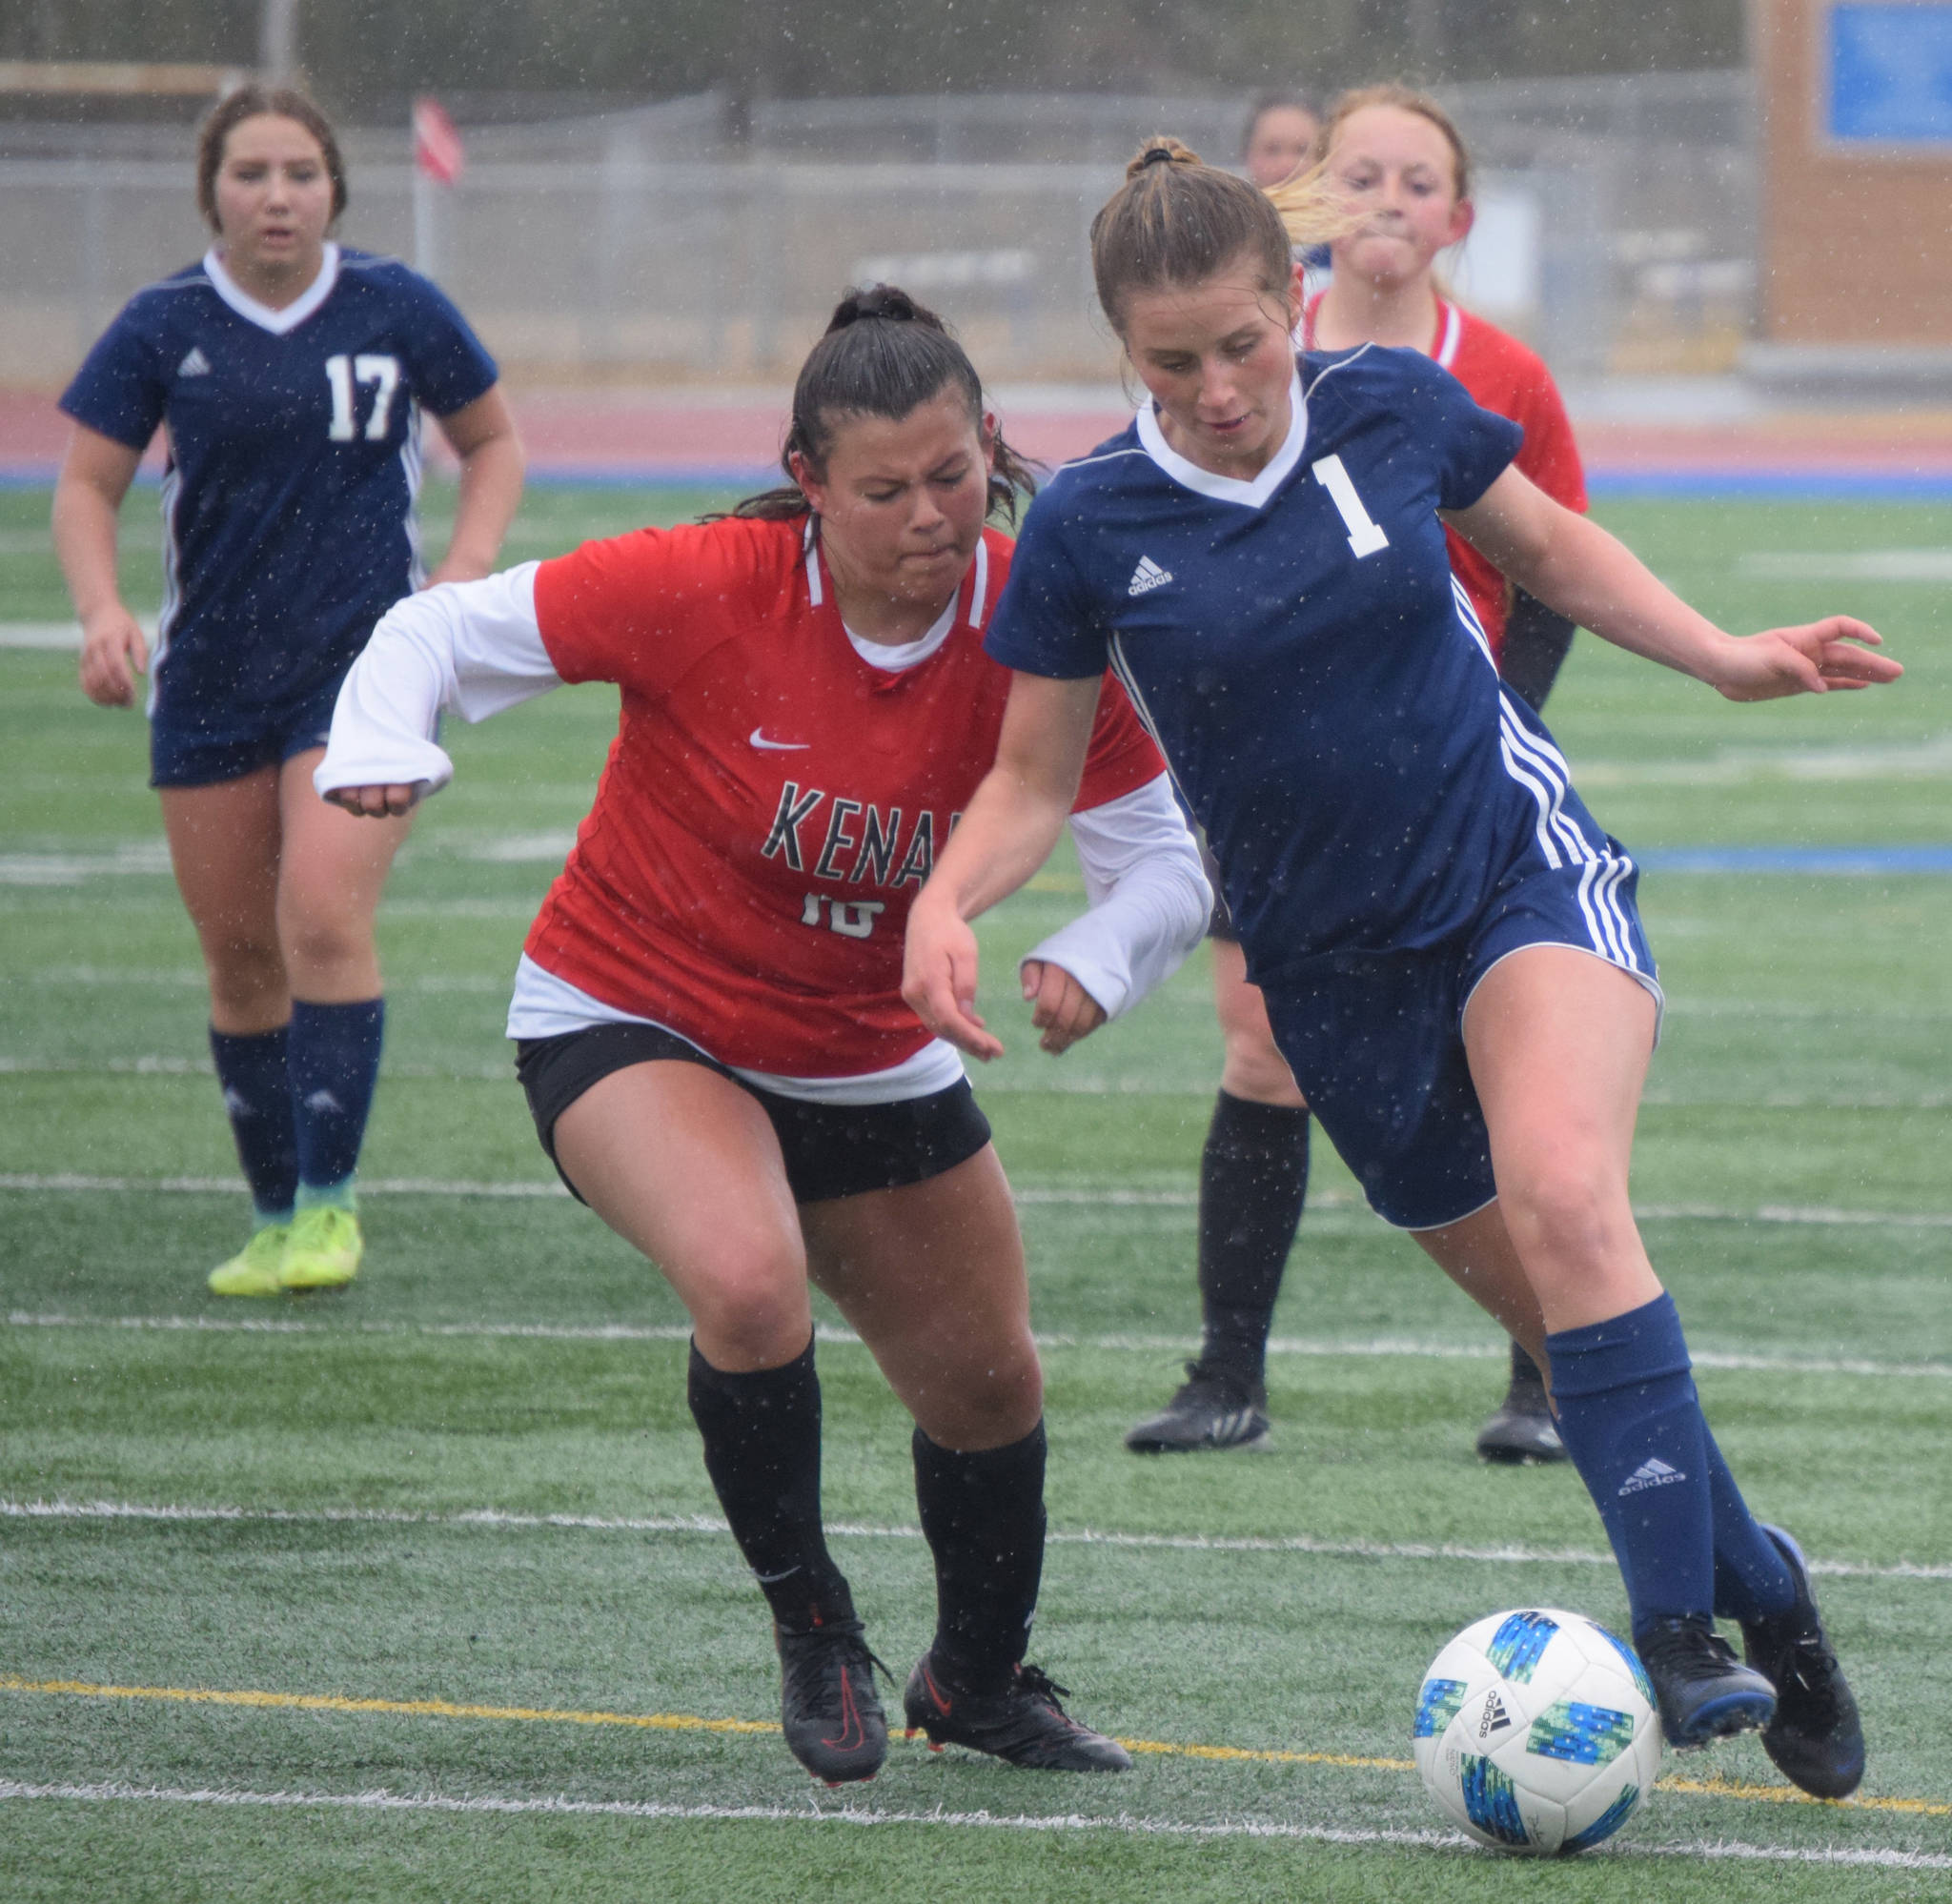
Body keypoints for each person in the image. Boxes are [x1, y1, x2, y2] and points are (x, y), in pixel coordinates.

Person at [905, 142, 1888, 1796]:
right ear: (1118, 356)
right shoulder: (1084, 523)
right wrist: (950, 903)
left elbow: (1552, 550)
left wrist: (1727, 658)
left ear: (1290, 303)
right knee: (1579, 1333)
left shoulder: (1386, 409)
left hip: (1514, 878)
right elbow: (1027, 776)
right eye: (1171, 362)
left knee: (1570, 1202)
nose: (1218, 388)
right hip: (1330, 982)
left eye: (1241, 343)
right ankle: (1765, 1590)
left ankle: (1673, 1637)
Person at [315, 288, 1210, 1786]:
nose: (932, 516)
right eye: (884, 490)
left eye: (954, 476)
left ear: (990, 448)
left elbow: (1164, 856)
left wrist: (1097, 956)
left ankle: (975, 1681)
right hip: (632, 1008)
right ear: (806, 479)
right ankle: (815, 1623)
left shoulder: (1038, 613)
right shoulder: (705, 581)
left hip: (867, 1051)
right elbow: (432, 633)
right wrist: (384, 744)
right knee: (747, 1277)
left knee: (990, 1387)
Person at [1126, 85, 1587, 1463]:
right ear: (1313, 199)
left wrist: (1504, 721)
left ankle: (1549, 1374)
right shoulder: (1241, 353)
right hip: (1270, 781)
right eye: (1361, 174)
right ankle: (1228, 1375)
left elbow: (1554, 567)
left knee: (1496, 1055)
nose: (1387, 200)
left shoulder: (1497, 374)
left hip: (1448, 783)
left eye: (1417, 180)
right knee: (1265, 1051)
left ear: (1460, 216)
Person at [52, 85, 523, 1299]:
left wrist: (459, 585)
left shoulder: (395, 305)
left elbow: (494, 443)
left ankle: (330, 1208)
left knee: (321, 916)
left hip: (361, 675)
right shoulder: (162, 323)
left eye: (301, 173)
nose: (277, 196)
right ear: (211, 186)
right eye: (252, 173)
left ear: (335, 190)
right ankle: (271, 1216)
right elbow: (87, 487)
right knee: (240, 961)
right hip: (210, 679)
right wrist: (105, 612)